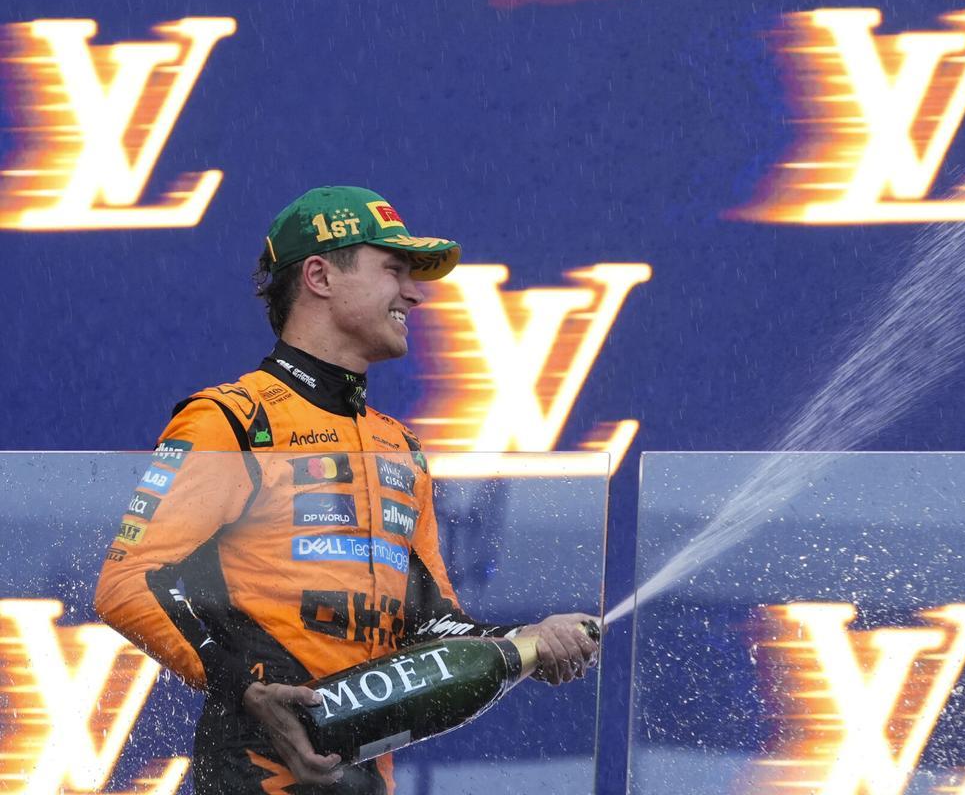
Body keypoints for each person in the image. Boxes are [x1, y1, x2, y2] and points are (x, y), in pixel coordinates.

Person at [94, 186, 599, 793]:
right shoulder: (233, 420)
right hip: (252, 771)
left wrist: (524, 642)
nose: (414, 291)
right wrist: (247, 688)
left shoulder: (399, 446)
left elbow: (430, 622)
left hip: (364, 774)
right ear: (319, 276)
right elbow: (126, 583)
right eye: (393, 269)